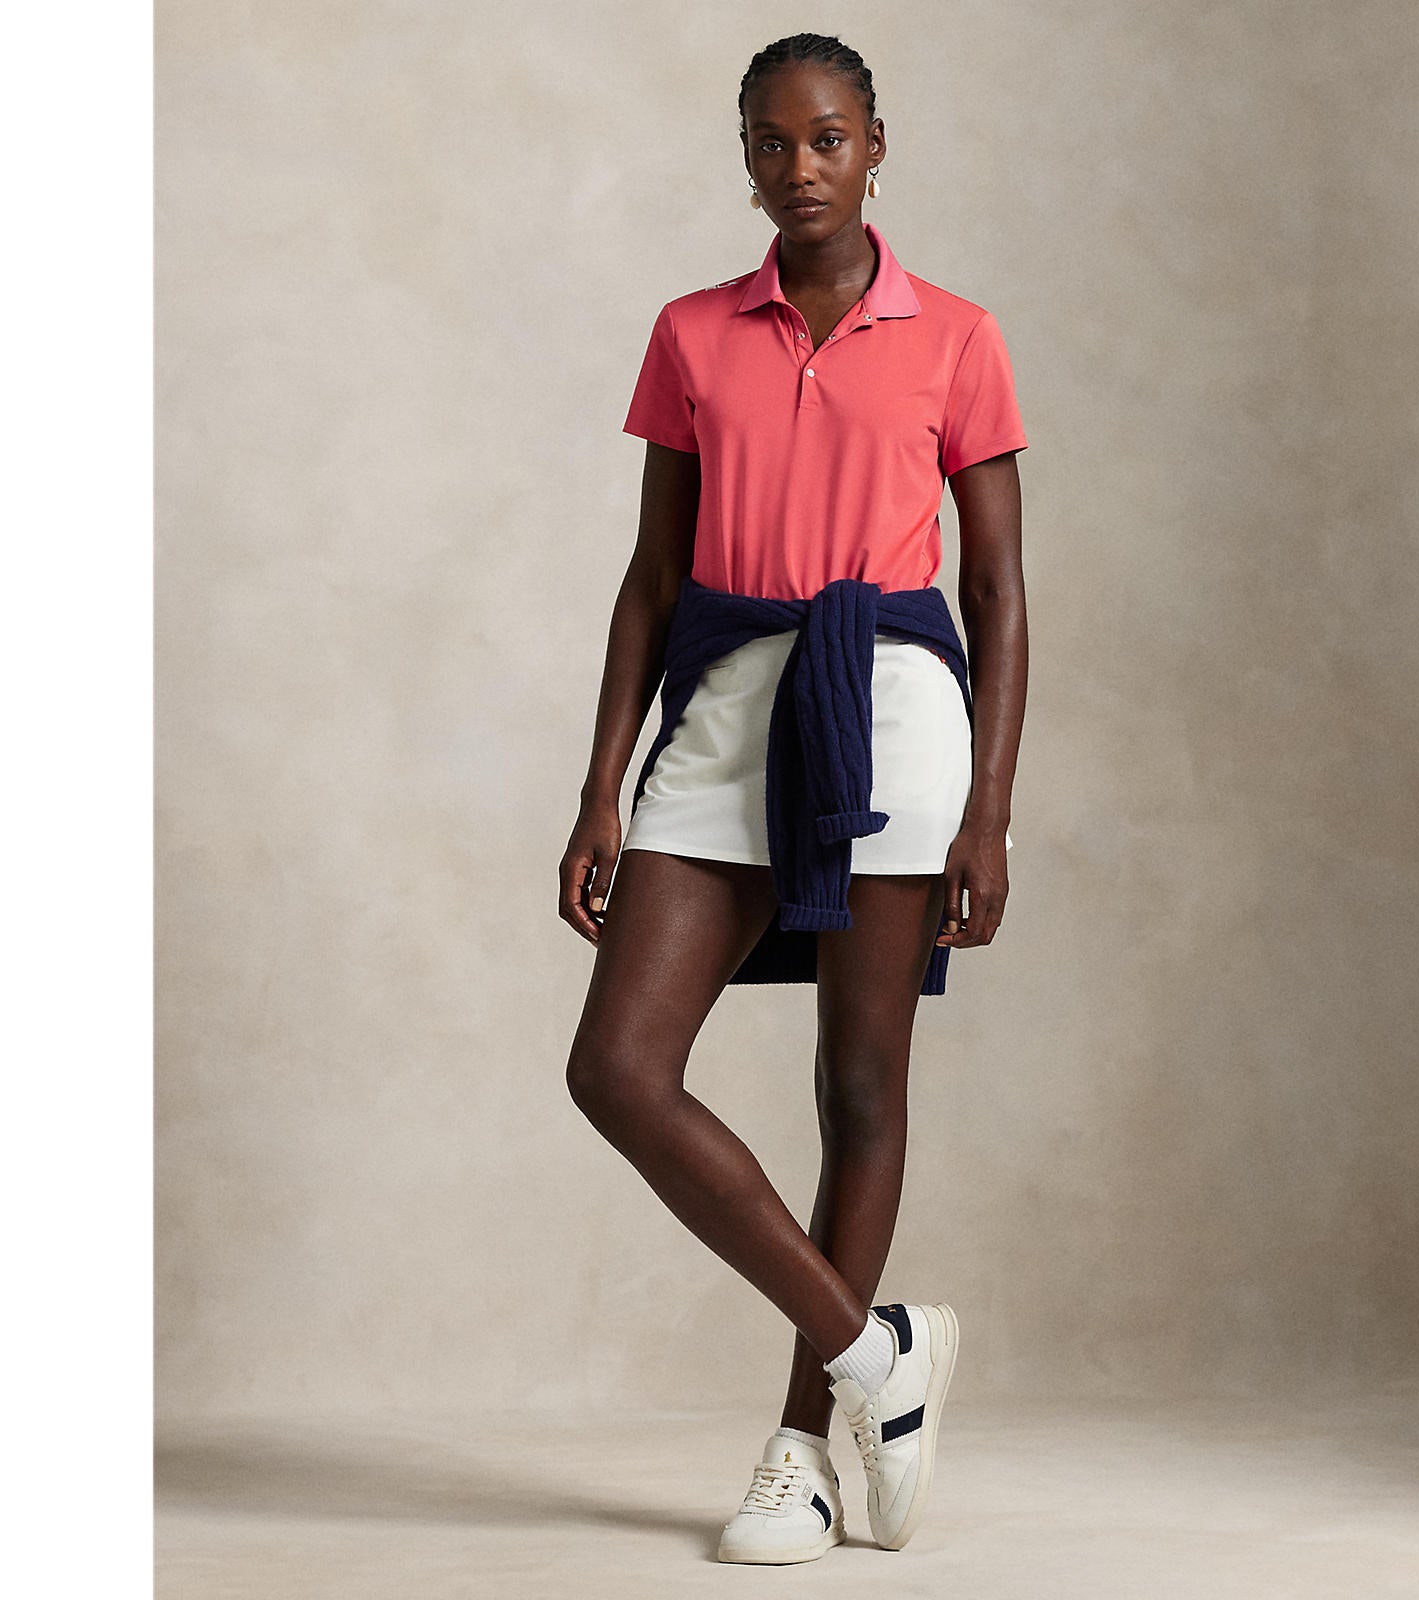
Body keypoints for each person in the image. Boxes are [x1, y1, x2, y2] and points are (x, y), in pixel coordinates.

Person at [559, 32, 1028, 1565]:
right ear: (747, 157)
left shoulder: (956, 336)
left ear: (876, 146)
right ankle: (876, 1353)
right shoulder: (693, 333)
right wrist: (602, 789)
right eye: (772, 141)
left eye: (827, 138)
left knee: (861, 1087)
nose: (800, 166)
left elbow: (999, 593)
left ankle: (803, 1452)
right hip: (727, 705)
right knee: (620, 1068)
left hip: (892, 711)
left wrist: (989, 810)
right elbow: (652, 577)